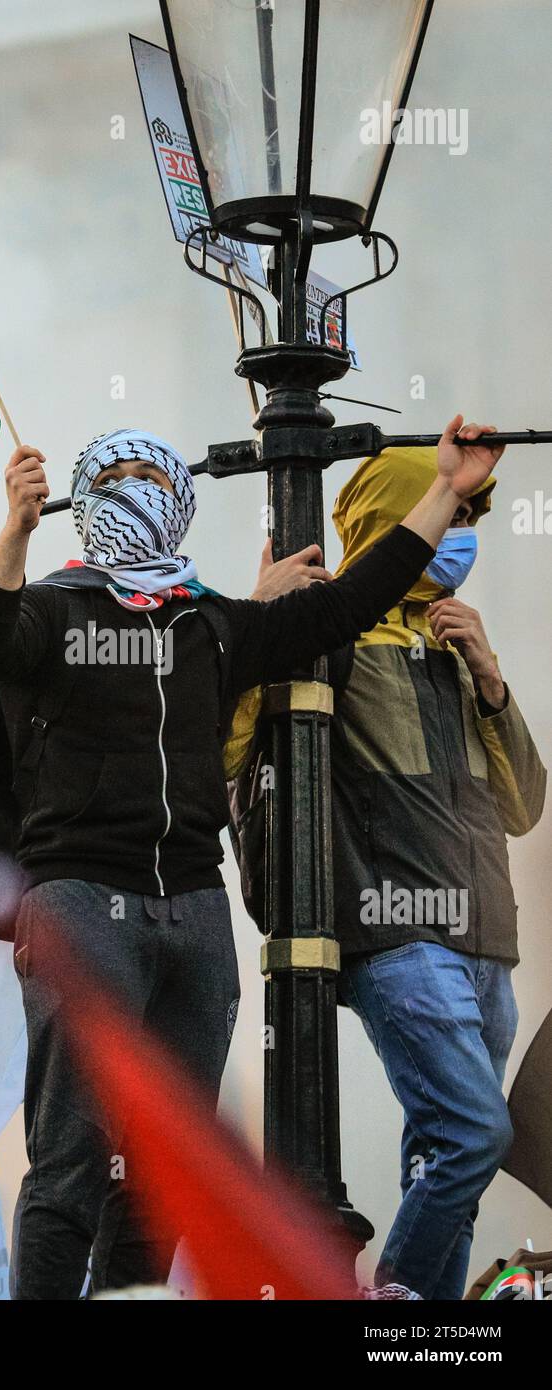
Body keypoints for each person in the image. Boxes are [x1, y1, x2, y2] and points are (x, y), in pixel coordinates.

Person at [0, 417, 502, 1301]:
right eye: (116, 472)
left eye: (152, 474)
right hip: (84, 906)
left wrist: (448, 488)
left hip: (195, 912)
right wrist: (14, 530)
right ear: (82, 500)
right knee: (72, 1156)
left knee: (171, 1164)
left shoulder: (208, 622)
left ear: (179, 502)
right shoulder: (52, 608)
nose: (134, 487)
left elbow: (348, 603)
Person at [227, 438, 545, 1301]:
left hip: (488, 944)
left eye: (473, 518)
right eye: (451, 513)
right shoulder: (332, 637)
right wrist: (265, 622)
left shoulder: (452, 648)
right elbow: (227, 748)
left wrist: (490, 680)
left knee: (445, 1159)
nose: (464, 534)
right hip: (398, 936)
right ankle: (394, 1306)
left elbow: (524, 807)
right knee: (476, 1135)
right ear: (396, 521)